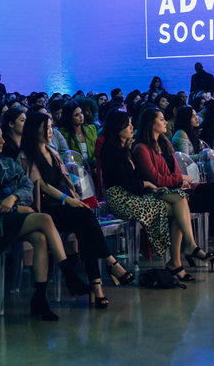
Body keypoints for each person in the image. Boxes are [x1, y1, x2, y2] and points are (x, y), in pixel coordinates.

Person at [0, 122, 92, 319]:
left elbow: (27, 187)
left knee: (40, 238)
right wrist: (14, 207)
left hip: (9, 219)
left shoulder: (7, 163)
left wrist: (13, 198)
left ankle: (40, 298)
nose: (2, 141)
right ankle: (68, 274)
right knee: (45, 219)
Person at [18, 112, 131, 305]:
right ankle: (109, 263)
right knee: (85, 217)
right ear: (34, 130)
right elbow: (41, 184)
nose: (50, 132)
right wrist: (68, 200)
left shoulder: (52, 153)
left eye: (50, 127)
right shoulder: (26, 156)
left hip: (65, 206)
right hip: (45, 210)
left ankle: (97, 286)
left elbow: (66, 181)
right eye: (45, 128)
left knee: (85, 228)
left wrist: (75, 198)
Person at [100, 110, 214, 281]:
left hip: (135, 194)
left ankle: (181, 256)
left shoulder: (125, 148)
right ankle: (182, 255)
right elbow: (125, 181)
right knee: (179, 208)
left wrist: (149, 186)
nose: (131, 127)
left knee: (180, 201)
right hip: (122, 199)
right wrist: (147, 185)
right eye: (127, 125)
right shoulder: (111, 150)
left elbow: (134, 178)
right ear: (117, 128)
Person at [133, 107, 214, 272]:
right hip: (164, 194)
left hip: (178, 188)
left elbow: (175, 171)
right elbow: (155, 179)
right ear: (151, 124)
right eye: (161, 119)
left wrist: (183, 181)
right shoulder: (141, 148)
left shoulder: (164, 143)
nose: (166, 122)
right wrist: (180, 179)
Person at [58, 102, 98, 167]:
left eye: (81, 113)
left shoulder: (91, 129)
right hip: (74, 168)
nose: (81, 116)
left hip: (93, 165)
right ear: (69, 118)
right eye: (76, 115)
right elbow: (66, 156)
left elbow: (97, 150)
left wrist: (93, 164)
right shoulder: (63, 133)